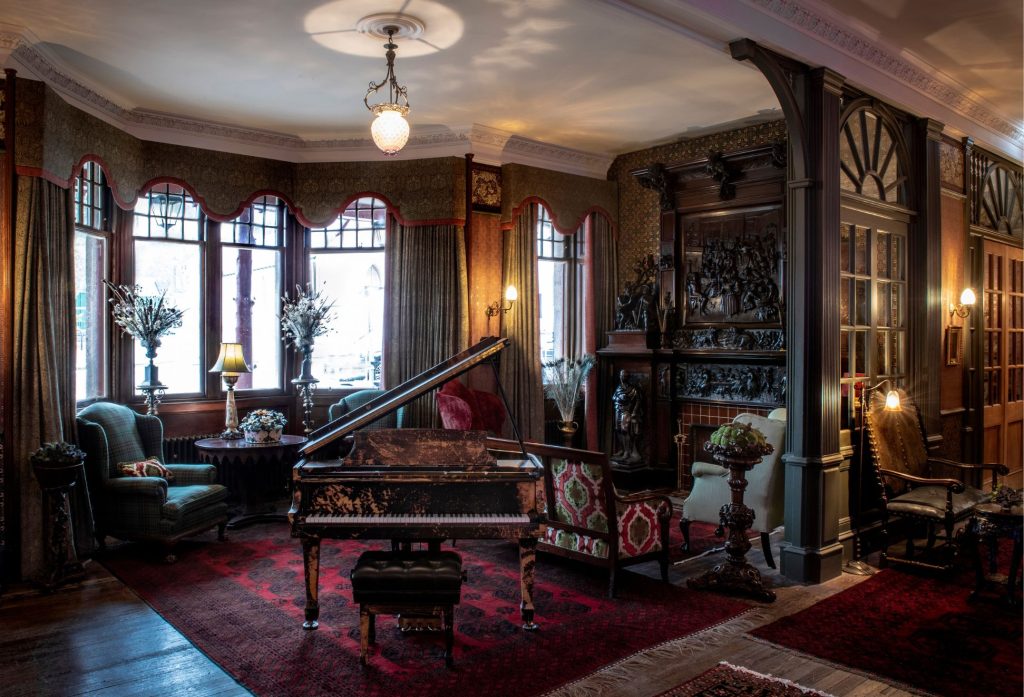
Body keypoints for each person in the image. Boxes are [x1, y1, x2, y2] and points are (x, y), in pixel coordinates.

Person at [611, 370, 643, 465]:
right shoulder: (619, 387)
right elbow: (613, 397)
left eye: (624, 375)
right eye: (621, 375)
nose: (622, 377)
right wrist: (619, 398)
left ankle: (627, 452)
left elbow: (638, 400)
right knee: (618, 430)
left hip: (626, 411)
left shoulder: (632, 389)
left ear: (627, 377)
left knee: (625, 431)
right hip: (618, 410)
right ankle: (622, 449)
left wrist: (634, 412)